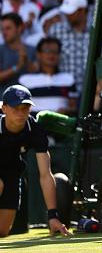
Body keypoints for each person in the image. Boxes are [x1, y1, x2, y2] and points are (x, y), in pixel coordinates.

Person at [0, 85, 71, 237]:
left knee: (2, 232)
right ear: (4, 108)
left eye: (24, 108)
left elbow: (45, 174)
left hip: (12, 173)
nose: (20, 113)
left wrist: (52, 216)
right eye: (15, 108)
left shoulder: (35, 130)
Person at [18, 37, 77, 115]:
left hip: (60, 124)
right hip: (33, 125)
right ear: (38, 54)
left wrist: (66, 111)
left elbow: (74, 107)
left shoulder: (69, 79)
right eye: (47, 51)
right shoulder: (25, 80)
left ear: (59, 55)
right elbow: (19, 108)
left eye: (55, 51)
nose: (51, 55)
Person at [0, 13, 36, 94]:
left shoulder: (32, 50)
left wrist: (26, 61)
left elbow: (37, 74)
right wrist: (17, 67)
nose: (4, 32)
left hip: (28, 102)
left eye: (8, 28)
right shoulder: (0, 50)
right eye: (2, 29)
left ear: (20, 28)